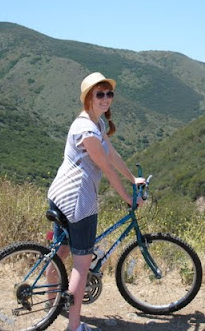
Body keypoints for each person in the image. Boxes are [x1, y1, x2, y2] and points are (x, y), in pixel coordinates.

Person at [47, 72, 145, 331]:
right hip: (78, 200)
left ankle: (50, 307)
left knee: (60, 253)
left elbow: (111, 154)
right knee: (81, 263)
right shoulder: (87, 130)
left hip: (59, 194)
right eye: (99, 94)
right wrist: (128, 198)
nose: (105, 98)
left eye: (109, 93)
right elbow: (107, 169)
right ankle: (74, 326)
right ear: (88, 98)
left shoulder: (96, 124)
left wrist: (132, 178)